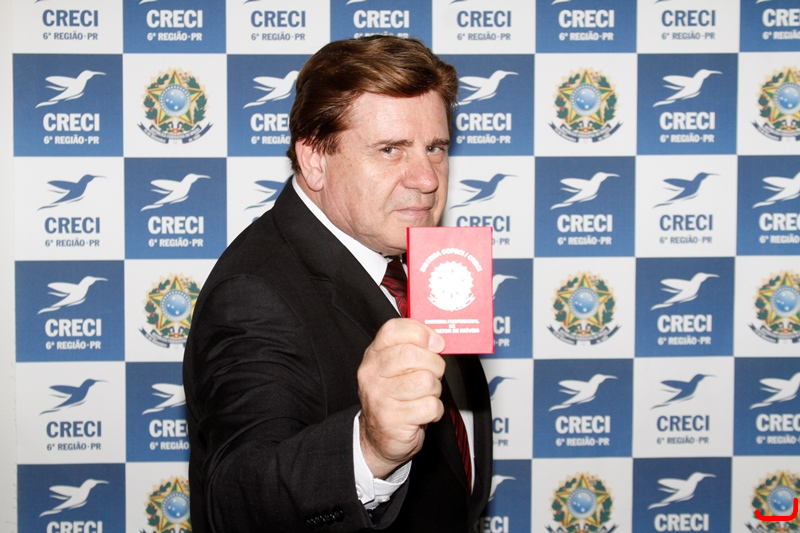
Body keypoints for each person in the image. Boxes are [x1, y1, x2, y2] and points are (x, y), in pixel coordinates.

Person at [183, 35, 492, 532]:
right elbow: (238, 499)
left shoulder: (403, 254)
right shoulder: (254, 293)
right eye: (390, 149)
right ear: (314, 159)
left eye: (435, 148)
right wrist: (369, 449)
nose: (427, 178)